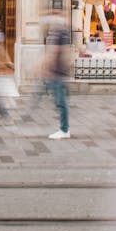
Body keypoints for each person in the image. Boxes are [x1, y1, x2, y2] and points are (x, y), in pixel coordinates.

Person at [43, 9, 71, 140]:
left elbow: (54, 51)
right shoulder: (63, 30)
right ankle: (64, 128)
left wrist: (47, 66)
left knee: (61, 102)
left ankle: (64, 129)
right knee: (60, 101)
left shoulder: (58, 31)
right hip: (59, 71)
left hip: (57, 72)